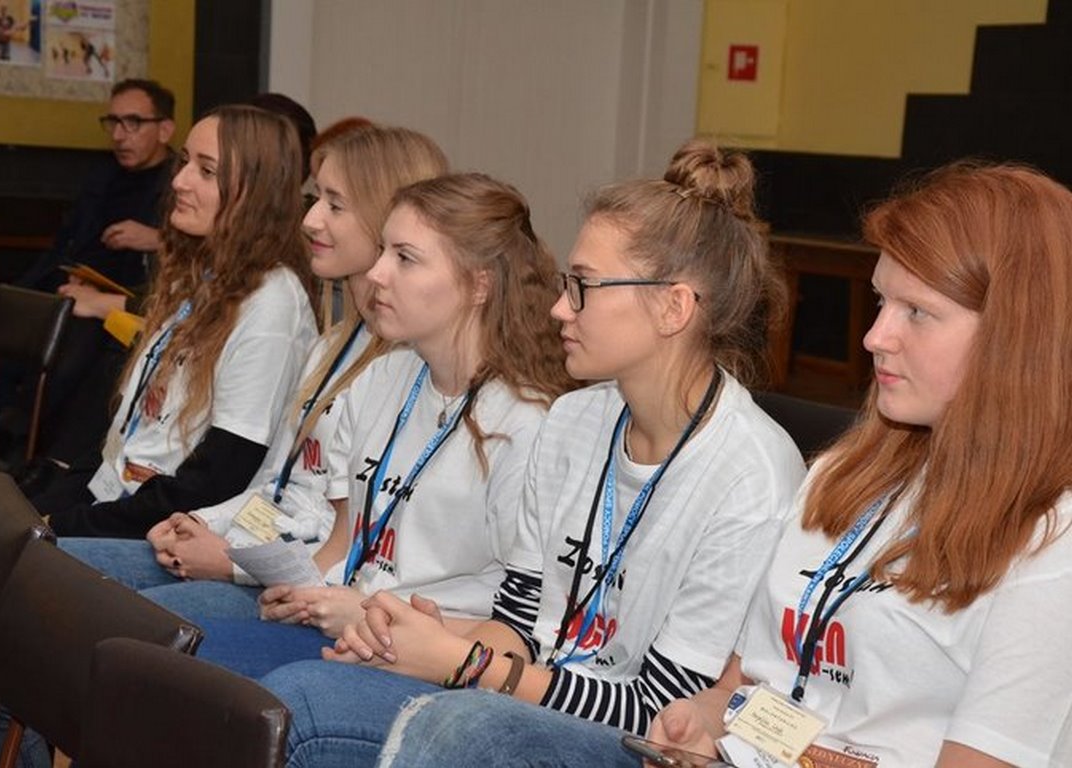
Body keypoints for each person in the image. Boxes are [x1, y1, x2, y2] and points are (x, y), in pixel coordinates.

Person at [377, 162, 1072, 768]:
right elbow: (744, 682)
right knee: (436, 721)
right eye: (882, 301)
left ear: (1015, 334)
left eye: (916, 312)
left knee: (464, 732)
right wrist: (703, 718)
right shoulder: (843, 476)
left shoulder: (1051, 544)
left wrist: (470, 663)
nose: (873, 336)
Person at [249, 140, 807, 768]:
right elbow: (518, 623)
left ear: (673, 307)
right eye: (568, 283)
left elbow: (661, 712)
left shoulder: (749, 472)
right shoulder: (574, 420)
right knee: (304, 696)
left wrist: (464, 662)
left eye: (584, 286)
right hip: (525, 696)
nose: (559, 307)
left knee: (459, 729)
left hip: (628, 743)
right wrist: (417, 638)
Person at [0, 104, 319, 764]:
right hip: (121, 506)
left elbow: (218, 477)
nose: (179, 181)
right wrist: (63, 503)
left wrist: (68, 522)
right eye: (185, 162)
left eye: (206, 170)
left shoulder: (269, 301)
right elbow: (129, 441)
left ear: (255, 192)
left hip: (163, 532)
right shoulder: (205, 278)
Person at [171, 171, 576, 678]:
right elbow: (344, 546)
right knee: (162, 638)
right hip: (349, 624)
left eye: (405, 258)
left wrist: (364, 615)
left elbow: (525, 629)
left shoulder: (527, 424)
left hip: (429, 659)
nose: (377, 273)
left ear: (479, 285)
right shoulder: (381, 376)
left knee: (190, 668)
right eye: (383, 251)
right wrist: (309, 592)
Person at [58, 124, 450, 626]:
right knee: (24, 568)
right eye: (316, 199)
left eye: (334, 204)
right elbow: (277, 484)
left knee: (97, 609)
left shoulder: (406, 365)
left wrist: (232, 559)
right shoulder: (334, 343)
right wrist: (199, 523)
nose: (310, 220)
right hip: (264, 557)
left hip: (315, 592)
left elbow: (353, 538)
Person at [0, 79, 178, 466]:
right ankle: (0, 440)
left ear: (165, 130)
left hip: (119, 305)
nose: (118, 135)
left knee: (70, 344)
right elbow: (67, 243)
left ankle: (15, 443)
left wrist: (156, 238)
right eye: (113, 122)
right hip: (65, 286)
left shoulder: (177, 186)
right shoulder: (102, 175)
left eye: (133, 123)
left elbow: (198, 259)